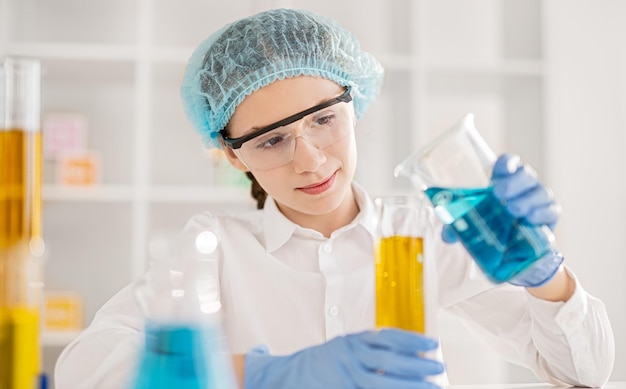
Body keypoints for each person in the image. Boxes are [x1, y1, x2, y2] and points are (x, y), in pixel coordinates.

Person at [55, 8, 615, 389]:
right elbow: (84, 369)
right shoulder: (218, 247)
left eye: (324, 119)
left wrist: (545, 275)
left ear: (356, 107)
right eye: (272, 139)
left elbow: (582, 371)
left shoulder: (425, 232)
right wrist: (268, 374)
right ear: (232, 155)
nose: (311, 159)